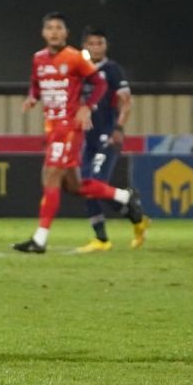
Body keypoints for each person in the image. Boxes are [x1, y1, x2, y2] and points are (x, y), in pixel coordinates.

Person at [12, 11, 146, 254]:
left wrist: (85, 107)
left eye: (58, 28)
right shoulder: (38, 59)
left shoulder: (74, 58)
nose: (54, 32)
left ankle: (40, 240)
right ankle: (125, 197)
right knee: (74, 186)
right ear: (43, 33)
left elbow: (99, 83)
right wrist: (32, 97)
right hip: (51, 126)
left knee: (51, 174)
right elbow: (36, 84)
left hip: (69, 127)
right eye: (49, 28)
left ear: (66, 33)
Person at [76, 26, 151, 253]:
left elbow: (126, 102)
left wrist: (118, 127)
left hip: (107, 135)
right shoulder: (80, 71)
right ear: (85, 46)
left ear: (106, 46)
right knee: (88, 187)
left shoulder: (112, 70)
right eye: (92, 43)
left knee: (94, 185)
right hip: (87, 139)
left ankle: (127, 206)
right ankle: (129, 220)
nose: (96, 47)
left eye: (100, 43)